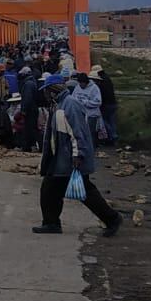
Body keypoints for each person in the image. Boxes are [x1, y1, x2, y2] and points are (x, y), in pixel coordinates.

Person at [32, 74, 120, 236]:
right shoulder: (59, 104)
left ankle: (112, 218)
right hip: (62, 159)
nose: (45, 94)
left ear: (53, 90)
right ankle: (51, 223)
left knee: (80, 192)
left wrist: (77, 155)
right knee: (54, 190)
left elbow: (77, 133)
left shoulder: (69, 105)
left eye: (47, 90)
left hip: (69, 159)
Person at [92, 65, 118, 145]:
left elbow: (102, 94)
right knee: (112, 121)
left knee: (104, 121)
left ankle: (111, 136)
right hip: (113, 103)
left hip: (105, 104)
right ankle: (114, 136)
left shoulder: (100, 81)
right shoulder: (108, 78)